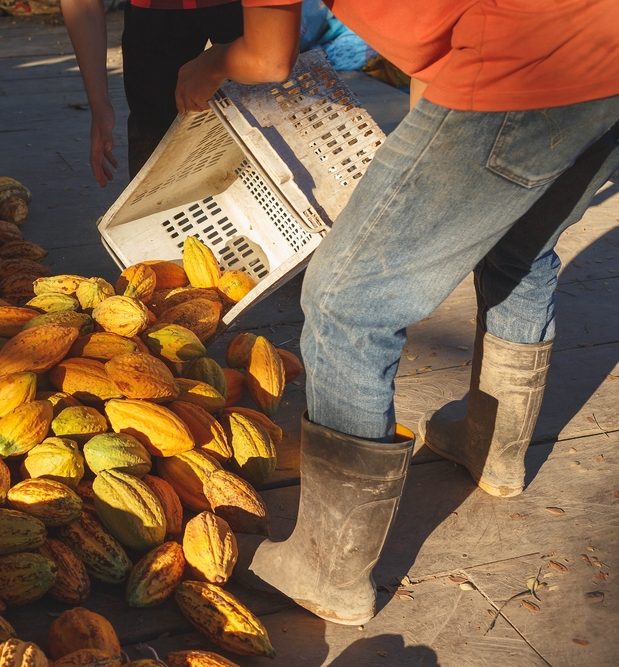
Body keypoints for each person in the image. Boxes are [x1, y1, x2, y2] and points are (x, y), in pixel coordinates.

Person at [176, 0, 619, 626]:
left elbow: (268, 60)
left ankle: (330, 569)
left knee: (346, 303)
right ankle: (492, 448)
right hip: (605, 57)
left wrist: (213, 61)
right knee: (519, 243)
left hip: (522, 67)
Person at [60, 0, 244, 186]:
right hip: (153, 13)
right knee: (155, 143)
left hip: (244, 9)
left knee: (261, 121)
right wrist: (99, 105)